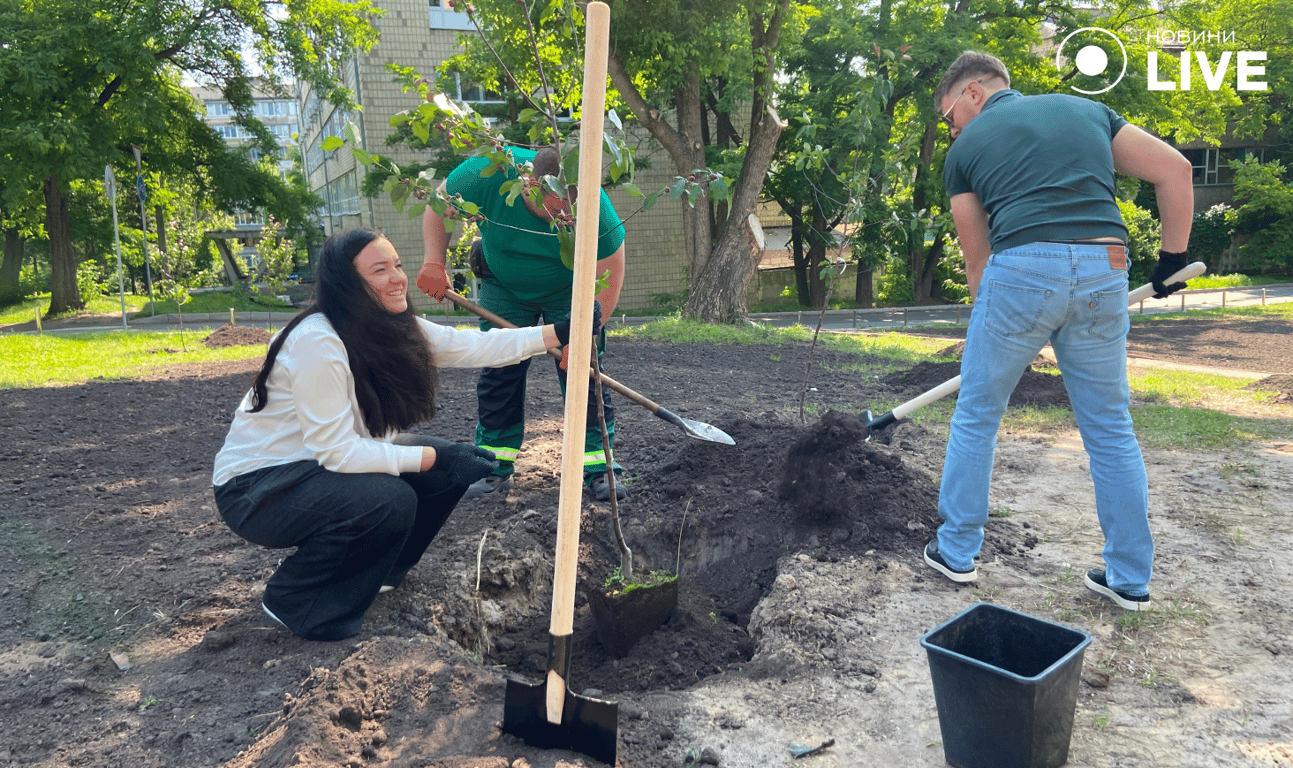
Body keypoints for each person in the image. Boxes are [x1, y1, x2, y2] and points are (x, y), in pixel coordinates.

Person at [212, 228, 594, 641]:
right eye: (380, 270)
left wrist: (560, 332)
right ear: (348, 283)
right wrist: (433, 459)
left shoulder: (389, 326)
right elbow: (338, 453)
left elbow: (472, 347)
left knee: (441, 470)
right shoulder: (317, 344)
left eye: (397, 265)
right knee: (392, 496)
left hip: (313, 469)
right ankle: (297, 600)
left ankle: (380, 574)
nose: (397, 277)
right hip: (259, 489)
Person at [924, 51, 1194, 611]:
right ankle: (1128, 578)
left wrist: (994, 329)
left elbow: (978, 260)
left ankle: (955, 551)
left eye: (948, 117)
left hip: (1020, 268)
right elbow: (1176, 170)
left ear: (973, 92)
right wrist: (1172, 260)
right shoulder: (1087, 112)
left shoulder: (965, 152)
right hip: (1106, 269)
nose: (951, 129)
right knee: (1110, 427)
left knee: (977, 413)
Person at [418, 145, 629, 501]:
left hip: (571, 291)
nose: (563, 220)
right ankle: (493, 466)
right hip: (505, 287)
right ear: (528, 184)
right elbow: (438, 207)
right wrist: (434, 261)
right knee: (500, 368)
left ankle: (598, 467)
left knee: (583, 371)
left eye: (569, 213)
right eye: (555, 210)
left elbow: (611, 269)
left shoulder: (596, 207)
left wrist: (583, 335)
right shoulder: (486, 171)